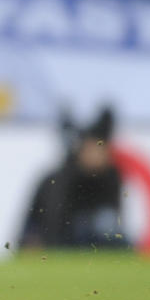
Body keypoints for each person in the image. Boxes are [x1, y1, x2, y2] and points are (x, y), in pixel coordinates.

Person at [19, 107, 130, 249]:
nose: (96, 155)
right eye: (91, 148)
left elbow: (115, 220)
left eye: (100, 148)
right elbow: (47, 225)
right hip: (60, 241)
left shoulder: (111, 177)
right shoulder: (58, 180)